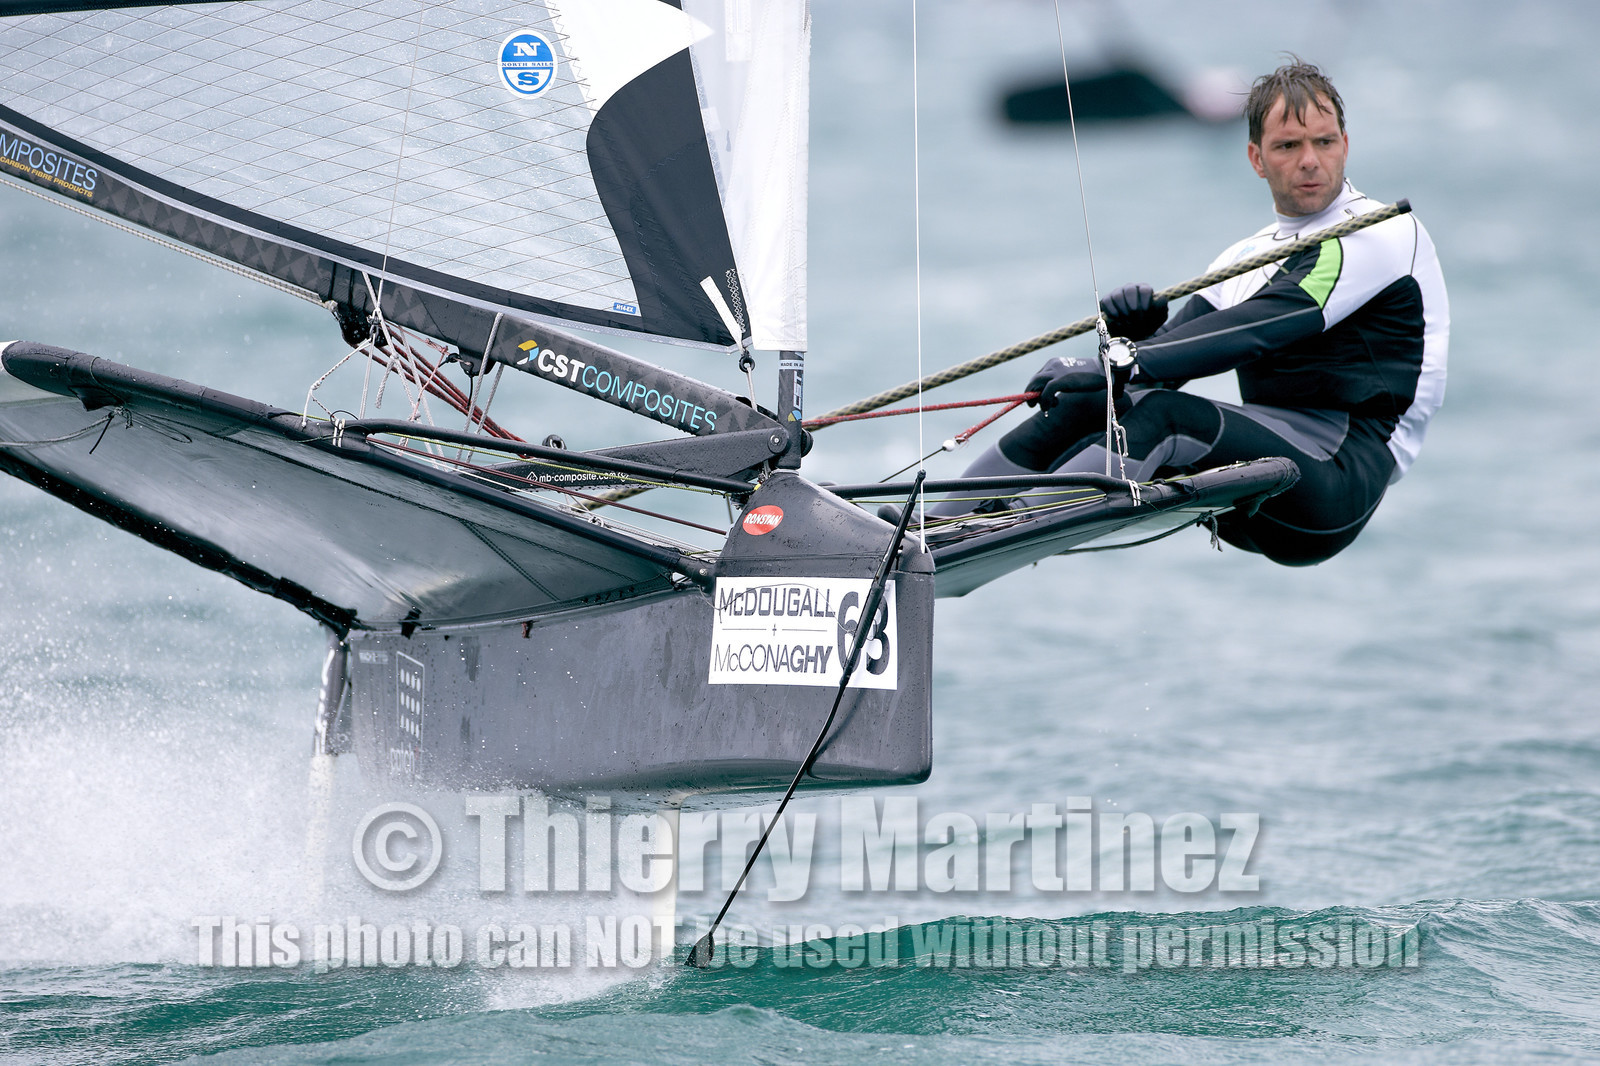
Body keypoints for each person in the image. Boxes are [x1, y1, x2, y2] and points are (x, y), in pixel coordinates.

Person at [936, 60, 1448, 566]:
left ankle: (997, 531)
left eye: (1325, 141)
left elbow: (1262, 327)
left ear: (1345, 145)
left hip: (1336, 484)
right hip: (1255, 485)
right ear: (1257, 158)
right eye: (1288, 145)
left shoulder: (1378, 234)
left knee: (1163, 417)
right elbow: (1153, 370)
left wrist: (1129, 357)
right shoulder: (1244, 259)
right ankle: (931, 528)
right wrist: (1128, 341)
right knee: (1091, 401)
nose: (1310, 160)